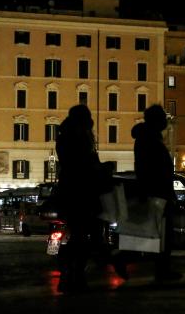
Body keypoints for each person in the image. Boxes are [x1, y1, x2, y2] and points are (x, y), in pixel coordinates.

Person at [55, 104, 111, 293]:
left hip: (70, 191)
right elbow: (84, 165)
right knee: (82, 236)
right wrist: (101, 169)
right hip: (81, 192)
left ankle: (69, 275)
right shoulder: (78, 138)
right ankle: (76, 275)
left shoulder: (65, 136)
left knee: (78, 236)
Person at [129, 104, 181, 281]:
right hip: (157, 192)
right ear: (156, 121)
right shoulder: (149, 140)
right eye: (163, 118)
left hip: (157, 191)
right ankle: (161, 271)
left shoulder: (148, 138)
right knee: (160, 235)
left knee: (157, 235)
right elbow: (150, 168)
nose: (166, 122)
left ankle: (162, 270)